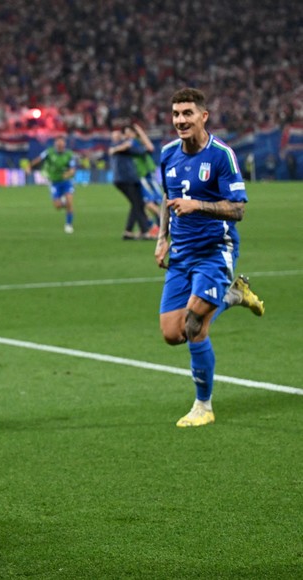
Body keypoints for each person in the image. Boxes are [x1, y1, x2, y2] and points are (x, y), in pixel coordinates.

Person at [155, 87, 265, 428]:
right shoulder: (168, 154)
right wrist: (162, 238)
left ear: (204, 116)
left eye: (187, 113)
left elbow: (238, 209)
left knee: (194, 325)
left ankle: (203, 405)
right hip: (181, 254)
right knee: (172, 334)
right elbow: (166, 197)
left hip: (216, 252)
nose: (180, 120)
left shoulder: (222, 156)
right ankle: (232, 296)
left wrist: (198, 205)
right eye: (176, 114)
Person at [109, 128, 154, 240]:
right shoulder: (121, 145)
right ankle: (144, 231)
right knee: (138, 204)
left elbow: (148, 149)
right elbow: (145, 149)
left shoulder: (126, 147)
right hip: (126, 179)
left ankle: (128, 231)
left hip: (129, 179)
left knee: (136, 204)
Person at [28, 136, 76, 234]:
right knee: (58, 206)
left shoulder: (69, 154)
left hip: (67, 181)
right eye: (57, 143)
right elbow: (39, 159)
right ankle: (62, 202)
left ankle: (68, 224)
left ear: (64, 144)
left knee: (70, 202)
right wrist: (30, 166)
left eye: (61, 143)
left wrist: (69, 173)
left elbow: (72, 168)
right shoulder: (49, 152)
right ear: (55, 144)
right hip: (54, 182)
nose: (59, 145)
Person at [130, 124, 162, 235]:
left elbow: (150, 147)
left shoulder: (135, 142)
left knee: (147, 203)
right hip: (144, 174)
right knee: (146, 204)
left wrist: (140, 132)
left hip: (146, 174)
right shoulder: (132, 143)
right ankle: (153, 227)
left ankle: (163, 222)